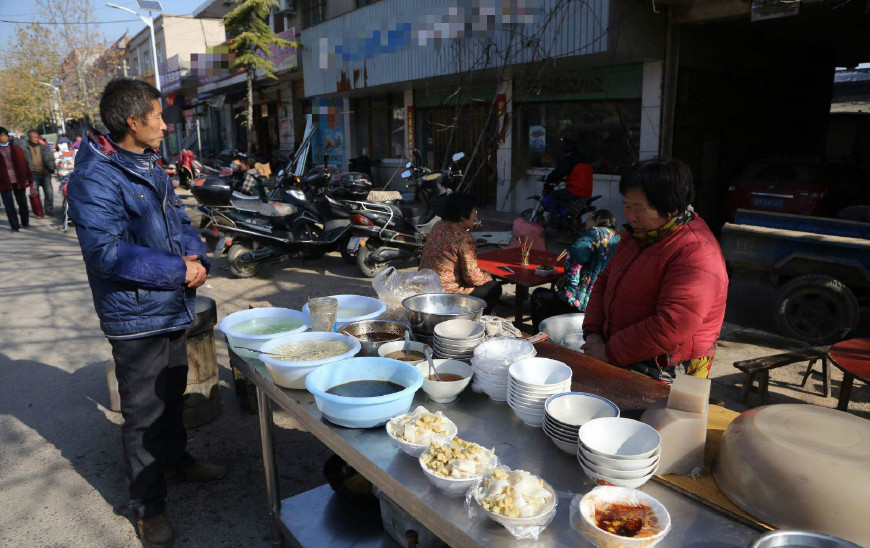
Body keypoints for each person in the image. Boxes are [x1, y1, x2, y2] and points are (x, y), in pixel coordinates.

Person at [67, 78, 224, 546]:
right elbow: (107, 254)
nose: (164, 124)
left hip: (171, 303)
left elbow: (177, 218)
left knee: (172, 391)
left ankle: (175, 463)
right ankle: (147, 508)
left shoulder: (148, 162)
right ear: (133, 122)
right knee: (143, 414)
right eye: (157, 116)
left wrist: (197, 260)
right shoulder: (94, 176)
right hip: (136, 317)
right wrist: (178, 270)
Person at [581, 159, 729, 382]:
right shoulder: (637, 235)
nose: (631, 216)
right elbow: (604, 281)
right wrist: (593, 334)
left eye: (639, 208)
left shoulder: (697, 251)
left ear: (670, 207)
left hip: (668, 364)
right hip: (620, 350)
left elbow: (674, 323)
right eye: (627, 206)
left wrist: (609, 351)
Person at [530, 209, 620, 330]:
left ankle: (540, 338)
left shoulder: (595, 233)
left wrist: (568, 276)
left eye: (588, 219)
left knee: (538, 295)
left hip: (581, 304)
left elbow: (579, 255)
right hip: (603, 303)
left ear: (597, 220)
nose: (585, 223)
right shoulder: (618, 237)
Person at [418, 193, 502, 313]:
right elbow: (473, 278)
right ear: (463, 216)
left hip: (424, 285)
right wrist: (488, 276)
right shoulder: (465, 238)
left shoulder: (438, 225)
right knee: (494, 288)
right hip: (445, 294)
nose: (475, 217)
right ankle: (478, 322)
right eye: (474, 213)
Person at [0, 127, 33, 232]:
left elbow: (24, 164)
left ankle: (25, 222)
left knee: (22, 202)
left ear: (8, 137)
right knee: (9, 205)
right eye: (1, 136)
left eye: (5, 136)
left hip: (18, 179)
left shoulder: (16, 149)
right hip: (3, 182)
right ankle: (14, 225)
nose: (4, 138)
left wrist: (28, 177)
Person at [22, 130, 57, 216]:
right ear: (29, 138)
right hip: (33, 175)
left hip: (45, 173)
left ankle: (48, 210)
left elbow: (50, 158)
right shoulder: (25, 149)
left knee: (49, 193)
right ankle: (39, 212)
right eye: (33, 137)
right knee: (35, 195)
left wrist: (52, 167)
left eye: (37, 137)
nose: (36, 139)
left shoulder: (44, 147)